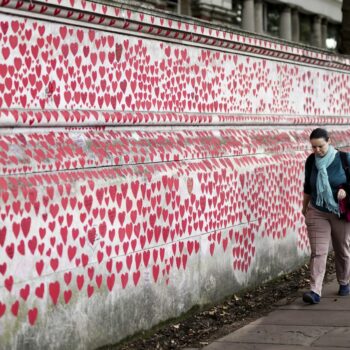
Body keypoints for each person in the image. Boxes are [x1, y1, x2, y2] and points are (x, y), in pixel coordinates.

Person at [302, 127, 350, 304]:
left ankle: (344, 282)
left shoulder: (344, 159)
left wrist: (345, 190)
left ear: (329, 141)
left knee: (342, 249)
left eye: (320, 146)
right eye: (313, 147)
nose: (317, 151)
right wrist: (304, 207)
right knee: (318, 252)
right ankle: (315, 291)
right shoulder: (311, 161)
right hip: (317, 210)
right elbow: (308, 186)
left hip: (339, 211)